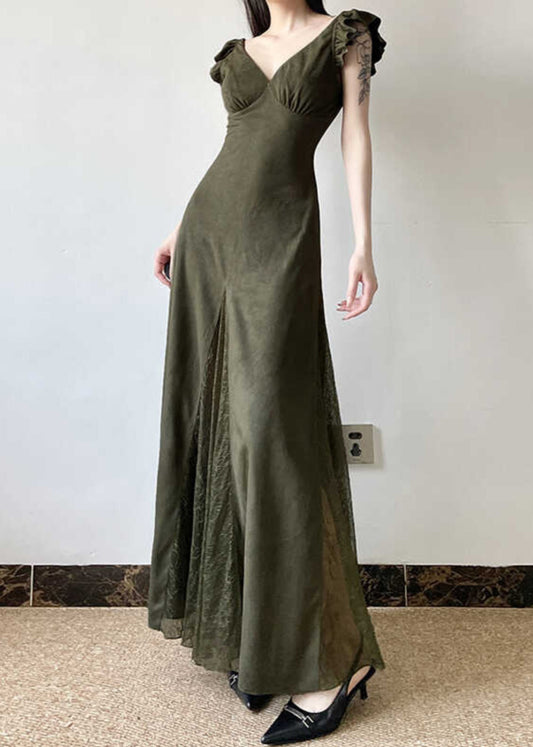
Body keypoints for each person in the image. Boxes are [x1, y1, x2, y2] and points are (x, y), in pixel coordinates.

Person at [147, 2, 387, 743]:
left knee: (269, 437)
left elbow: (354, 134)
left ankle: (332, 664)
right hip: (210, 235)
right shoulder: (241, 50)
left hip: (279, 236)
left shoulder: (345, 36)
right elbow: (236, 145)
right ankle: (260, 643)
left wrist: (363, 244)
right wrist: (179, 228)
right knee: (218, 430)